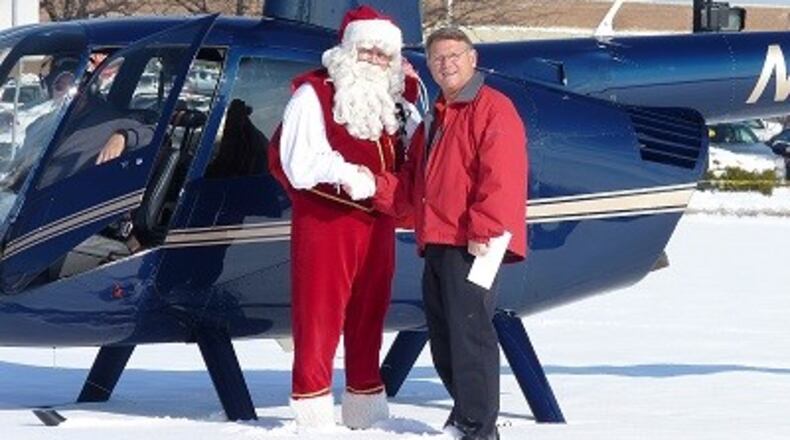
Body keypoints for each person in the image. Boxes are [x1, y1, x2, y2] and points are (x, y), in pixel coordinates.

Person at [367, 27, 528, 440]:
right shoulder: (437, 115)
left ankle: (477, 428)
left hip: (472, 242)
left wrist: (486, 230)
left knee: (470, 336)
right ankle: (467, 417)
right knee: (444, 339)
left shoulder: (493, 108)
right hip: (437, 240)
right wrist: (367, 185)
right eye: (438, 58)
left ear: (472, 59)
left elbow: (502, 176)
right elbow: (413, 183)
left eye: (455, 55)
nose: (446, 64)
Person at [267, 5, 419, 429]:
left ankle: (364, 402)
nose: (374, 61)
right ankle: (313, 407)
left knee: (371, 312)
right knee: (319, 315)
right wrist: (353, 176)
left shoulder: (398, 103)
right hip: (327, 222)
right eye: (367, 51)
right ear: (348, 51)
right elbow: (298, 161)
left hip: (380, 224)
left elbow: (416, 152)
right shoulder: (312, 94)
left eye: (382, 55)